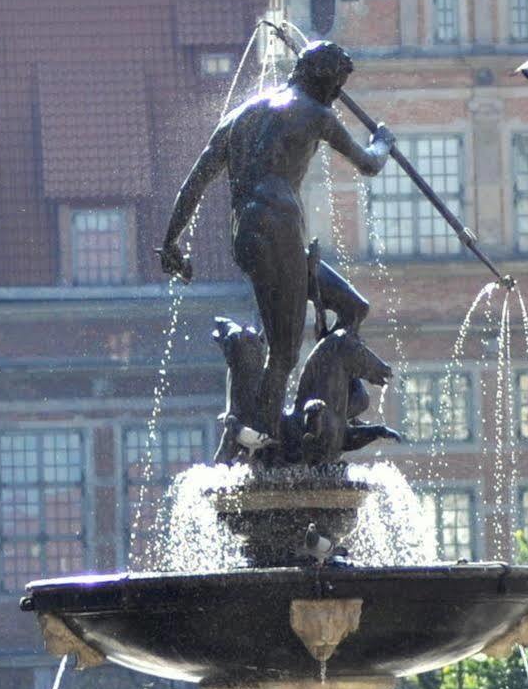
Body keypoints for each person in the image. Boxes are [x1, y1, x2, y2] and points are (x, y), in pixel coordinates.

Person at [160, 39, 392, 446]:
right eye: (337, 83)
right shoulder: (317, 114)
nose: (338, 93)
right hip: (278, 228)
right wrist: (385, 141)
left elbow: (195, 182)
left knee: (353, 307)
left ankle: (334, 402)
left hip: (247, 234)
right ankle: (267, 441)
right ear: (325, 80)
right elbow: (368, 164)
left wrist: (172, 243)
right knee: (284, 351)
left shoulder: (241, 115)